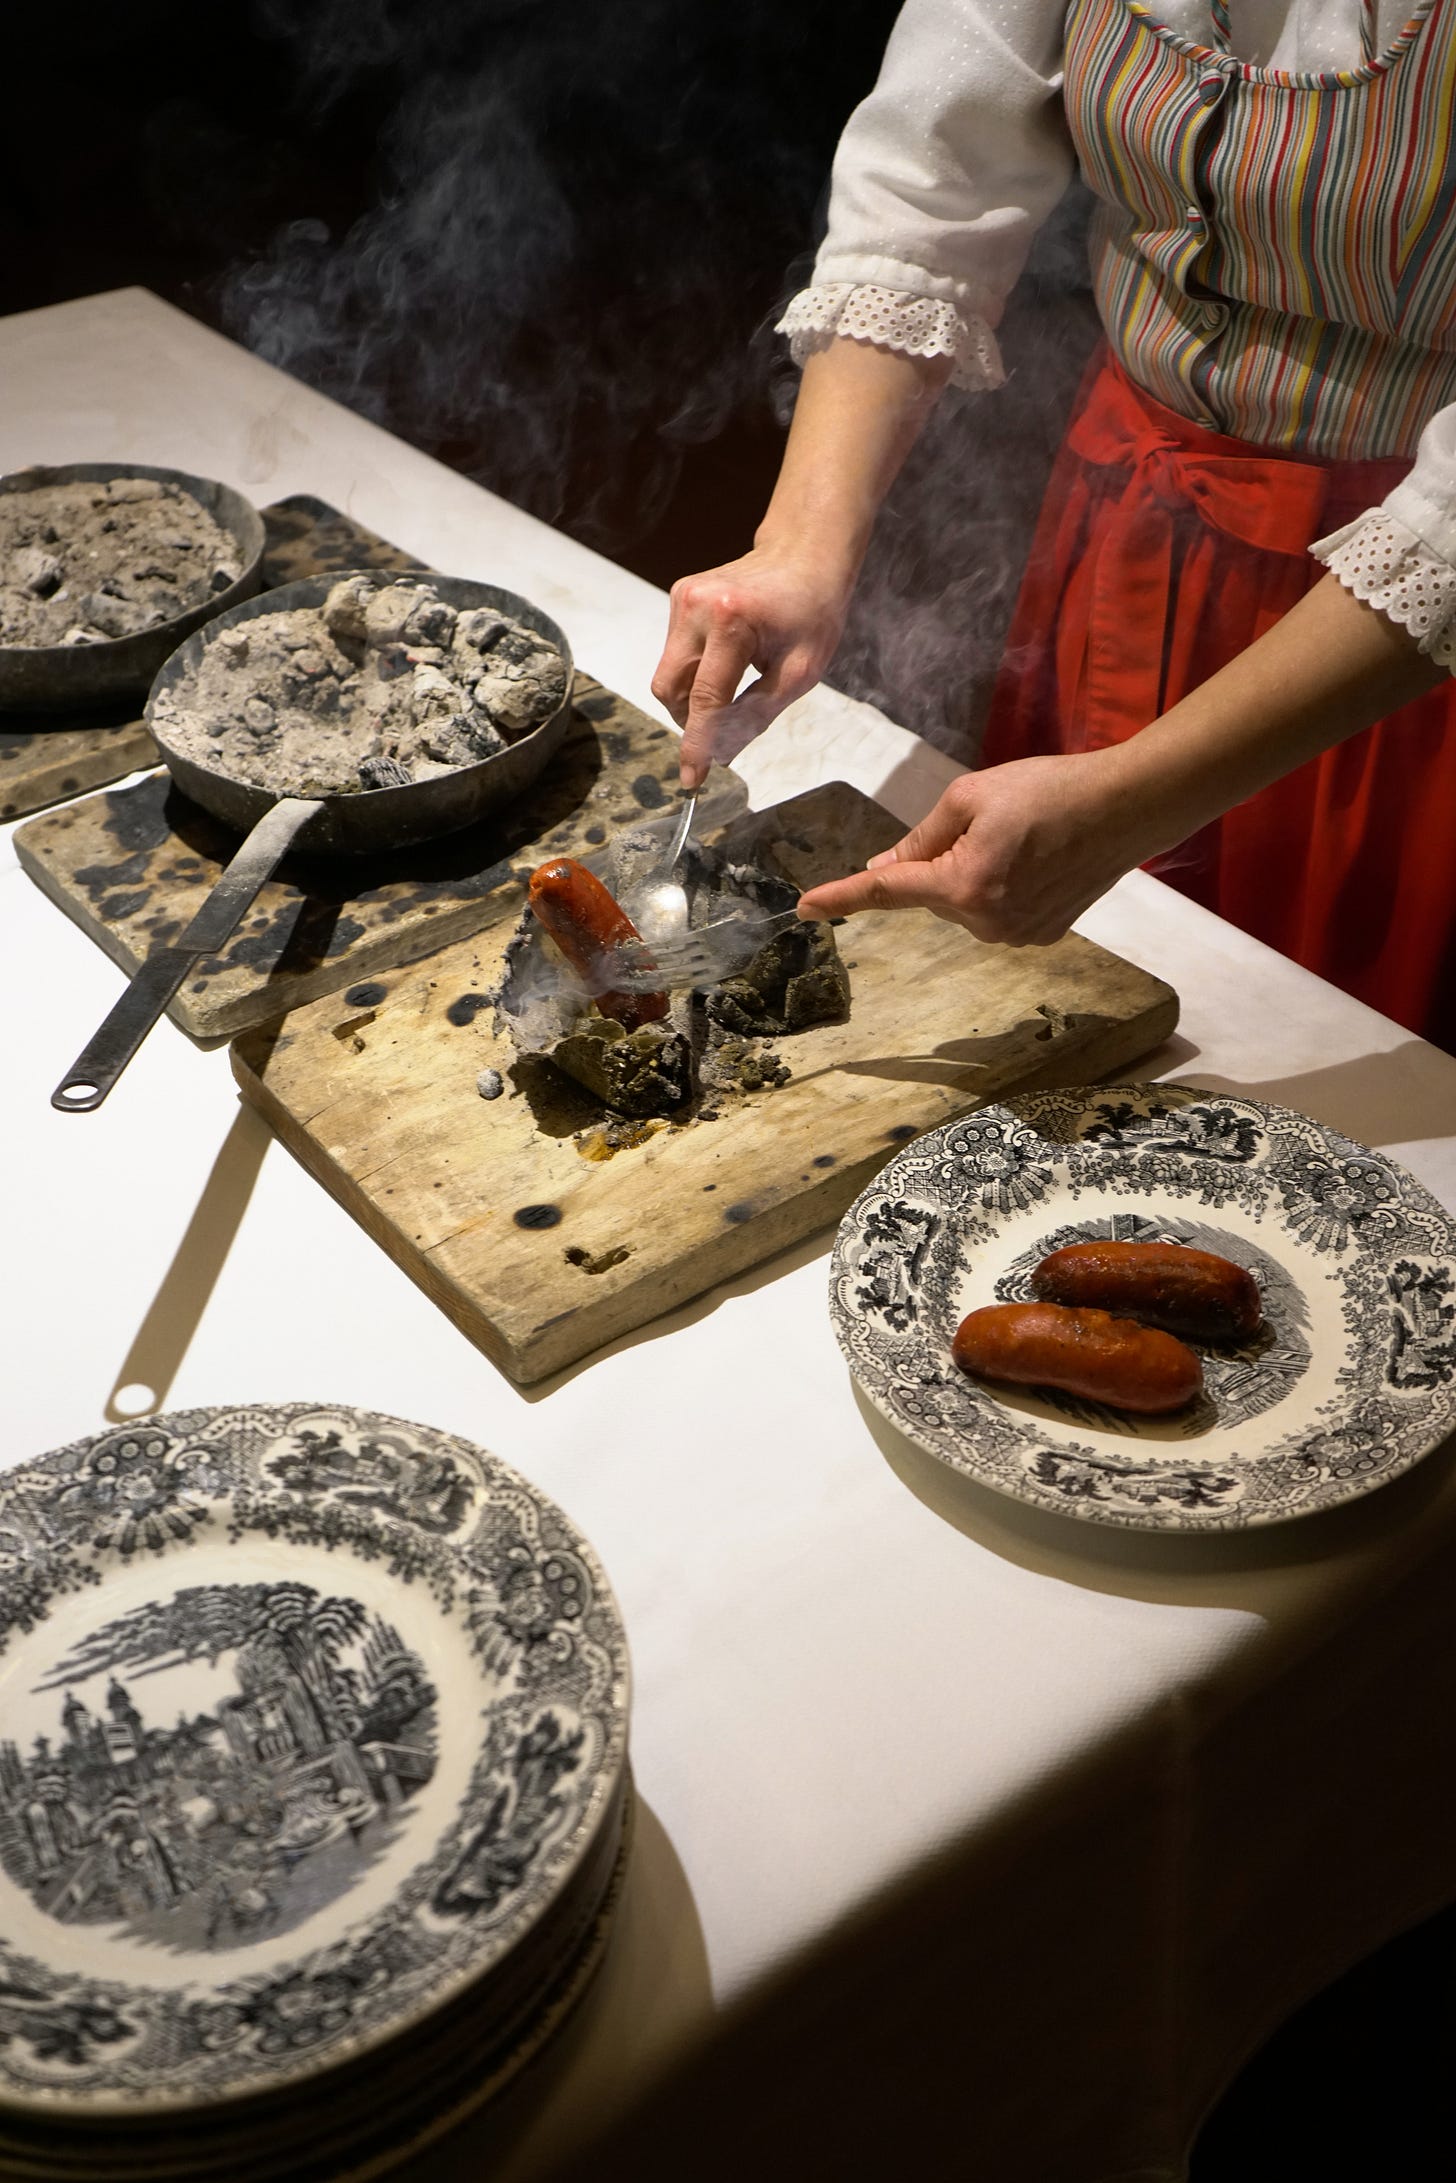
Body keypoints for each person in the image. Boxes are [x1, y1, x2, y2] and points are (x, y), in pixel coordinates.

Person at [650, 0, 1456, 1052]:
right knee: (1045, 984)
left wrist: (1129, 798)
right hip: (1132, 519)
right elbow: (934, 173)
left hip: (1396, 630)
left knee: (1309, 1045)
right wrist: (798, 545)